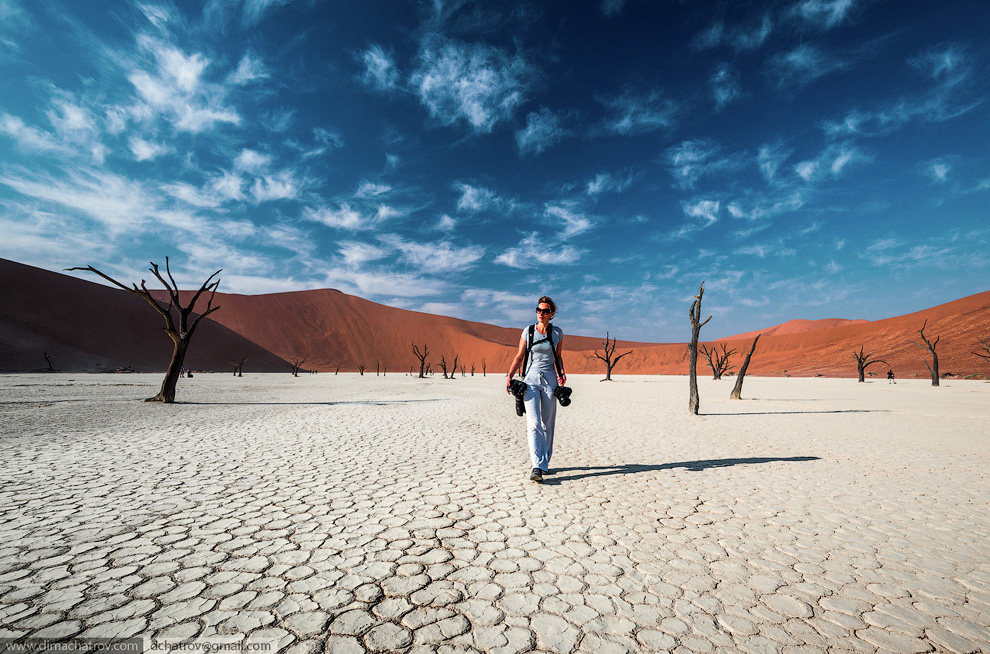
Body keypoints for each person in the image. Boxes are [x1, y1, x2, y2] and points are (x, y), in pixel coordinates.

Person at [506, 296, 566, 483]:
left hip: (550, 380)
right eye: (538, 310)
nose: (541, 313)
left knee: (548, 424)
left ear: (552, 314)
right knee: (534, 423)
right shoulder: (528, 331)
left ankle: (545, 461)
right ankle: (537, 466)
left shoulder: (557, 333)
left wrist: (562, 373)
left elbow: (558, 357)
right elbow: (519, 356)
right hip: (530, 380)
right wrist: (509, 376)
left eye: (545, 311)